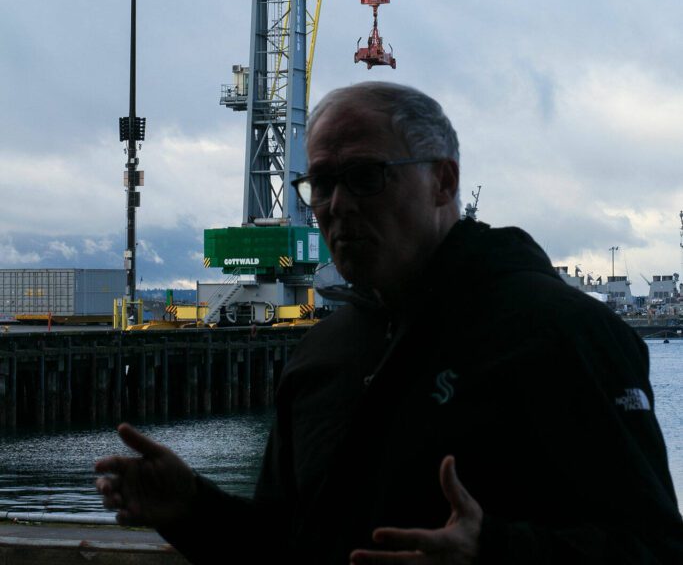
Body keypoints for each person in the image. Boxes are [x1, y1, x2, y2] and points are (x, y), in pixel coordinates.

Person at [96, 82, 683, 563]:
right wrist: (194, 510)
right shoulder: (321, 354)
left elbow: (655, 547)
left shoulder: (563, 335)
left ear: (444, 183)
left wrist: (494, 553)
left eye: (366, 177)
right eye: (321, 183)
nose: (336, 206)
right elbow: (286, 546)